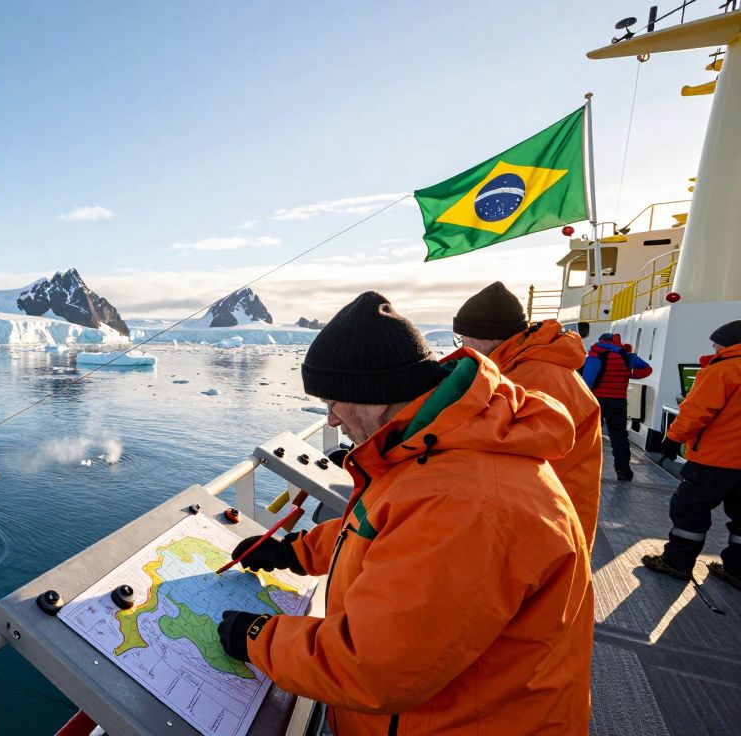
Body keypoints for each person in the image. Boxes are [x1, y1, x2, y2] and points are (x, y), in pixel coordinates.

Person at [216, 292, 593, 735]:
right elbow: (383, 527)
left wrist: (258, 637)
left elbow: (375, 666)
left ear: (374, 398)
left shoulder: (465, 501)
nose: (332, 421)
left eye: (335, 402)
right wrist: (293, 552)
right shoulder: (435, 447)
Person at [453, 281, 603, 550]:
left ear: (486, 337)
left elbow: (503, 450)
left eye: (463, 339)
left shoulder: (532, 378)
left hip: (544, 525)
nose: (462, 347)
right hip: (548, 514)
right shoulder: (531, 366)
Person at [642, 320, 741, 590]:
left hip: (715, 460)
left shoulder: (723, 369)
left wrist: (673, 439)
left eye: (716, 342)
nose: (712, 346)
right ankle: (738, 570)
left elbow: (697, 412)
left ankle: (677, 563)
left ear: (729, 342)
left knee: (690, 510)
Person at [582, 332, 652, 481]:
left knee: (591, 436)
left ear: (601, 341)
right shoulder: (626, 355)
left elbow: (587, 381)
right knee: (619, 436)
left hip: (597, 400)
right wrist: (629, 374)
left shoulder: (594, 355)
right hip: (618, 401)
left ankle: (587, 468)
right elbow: (647, 369)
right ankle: (623, 470)